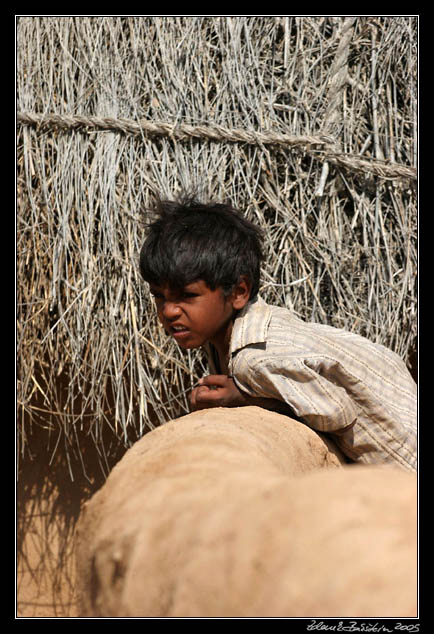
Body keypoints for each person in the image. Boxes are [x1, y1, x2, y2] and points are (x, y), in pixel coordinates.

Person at [139, 196, 417, 472]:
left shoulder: (256, 359)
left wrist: (246, 398)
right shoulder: (239, 330)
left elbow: (337, 412)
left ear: (238, 292)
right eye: (158, 296)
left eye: (187, 296)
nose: (169, 310)